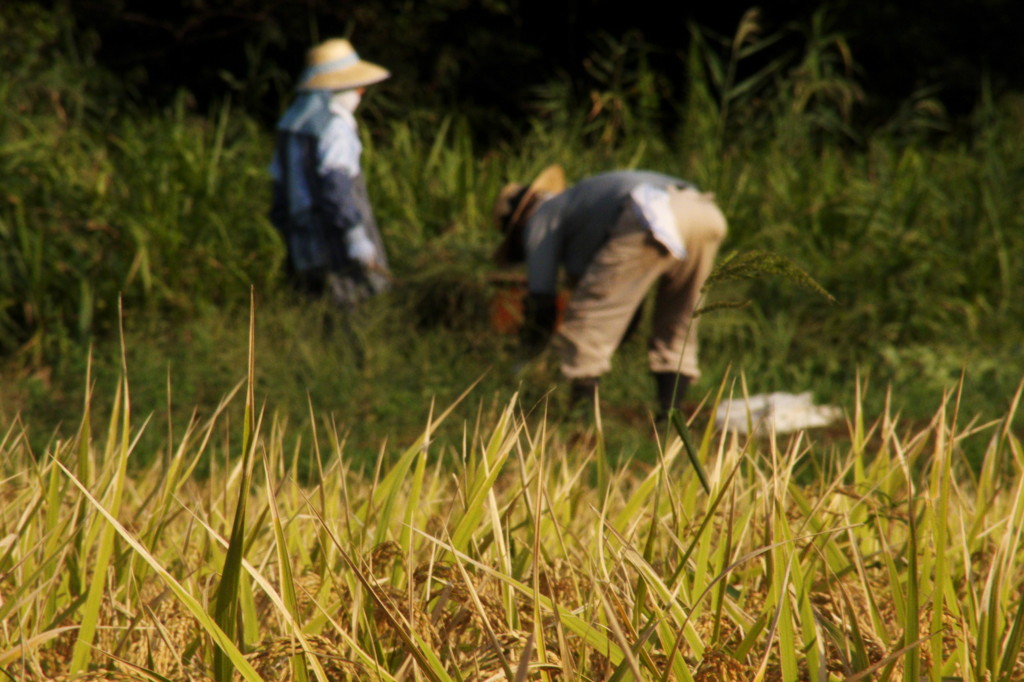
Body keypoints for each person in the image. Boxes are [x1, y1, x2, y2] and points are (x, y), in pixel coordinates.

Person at [493, 165, 727, 418]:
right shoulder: (581, 204)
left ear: (518, 224)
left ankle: (581, 421)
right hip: (705, 213)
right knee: (679, 321)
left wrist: (526, 357)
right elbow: (622, 293)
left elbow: (542, 299)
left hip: (651, 213)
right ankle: (669, 420)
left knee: (586, 320)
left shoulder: (542, 215)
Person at [269, 38, 391, 309]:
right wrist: (354, 236)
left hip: (302, 244)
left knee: (313, 313)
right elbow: (336, 187)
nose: (360, 93)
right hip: (337, 246)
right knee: (350, 315)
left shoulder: (291, 129)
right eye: (356, 87)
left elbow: (278, 193)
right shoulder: (334, 127)